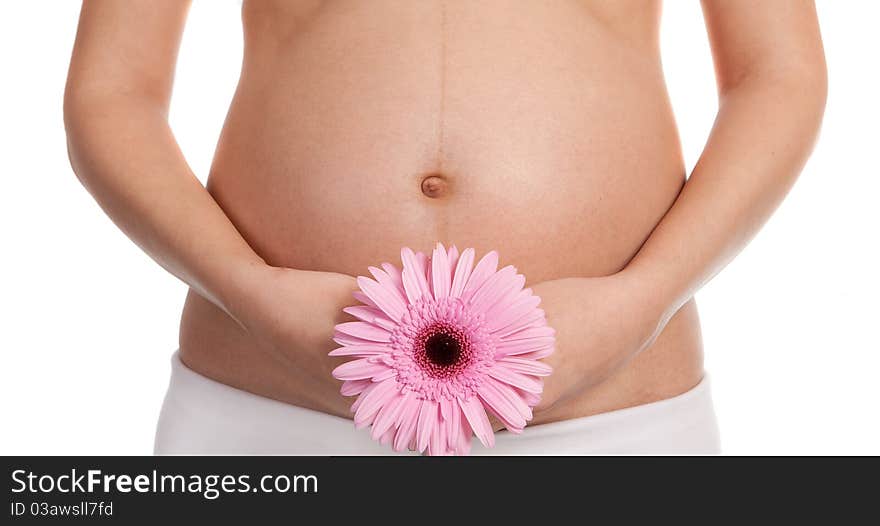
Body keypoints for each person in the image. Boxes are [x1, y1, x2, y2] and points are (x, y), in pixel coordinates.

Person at [64, 0, 826, 454]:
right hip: (270, 399)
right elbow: (112, 92)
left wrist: (641, 303)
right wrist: (251, 293)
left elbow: (778, 74)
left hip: (609, 403)